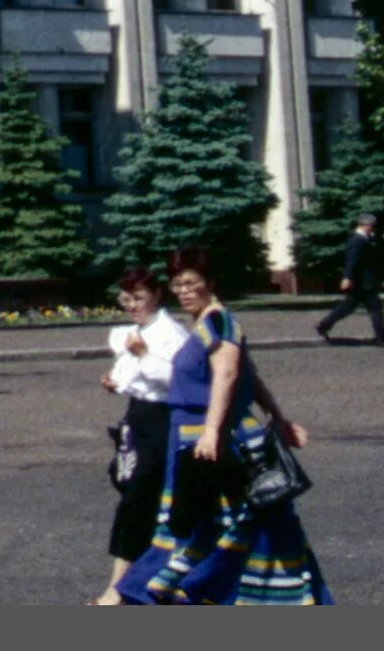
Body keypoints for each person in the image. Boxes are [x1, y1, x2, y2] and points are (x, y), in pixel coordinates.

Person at [115, 248, 330, 605]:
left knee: (223, 520)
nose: (183, 291)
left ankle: (236, 594)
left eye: (191, 283)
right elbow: (251, 374)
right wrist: (278, 416)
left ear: (210, 283)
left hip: (211, 437)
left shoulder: (219, 321)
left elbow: (228, 375)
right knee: (205, 521)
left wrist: (212, 430)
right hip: (191, 435)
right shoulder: (205, 323)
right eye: (177, 284)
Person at [95, 267, 192, 603]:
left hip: (162, 421)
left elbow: (178, 378)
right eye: (126, 299)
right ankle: (143, 579)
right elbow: (134, 375)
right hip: (137, 418)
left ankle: (118, 588)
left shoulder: (171, 332)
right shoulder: (137, 330)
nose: (132, 305)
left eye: (139, 297)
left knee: (138, 499)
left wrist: (143, 356)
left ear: (156, 295)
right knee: (133, 492)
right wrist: (116, 381)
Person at [315, 211, 384, 345]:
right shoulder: (358, 240)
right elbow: (351, 260)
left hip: (360, 281)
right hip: (364, 282)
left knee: (347, 306)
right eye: (372, 226)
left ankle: (324, 325)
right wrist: (347, 277)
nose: (373, 229)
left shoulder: (360, 239)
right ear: (366, 225)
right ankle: (382, 338)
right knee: (375, 309)